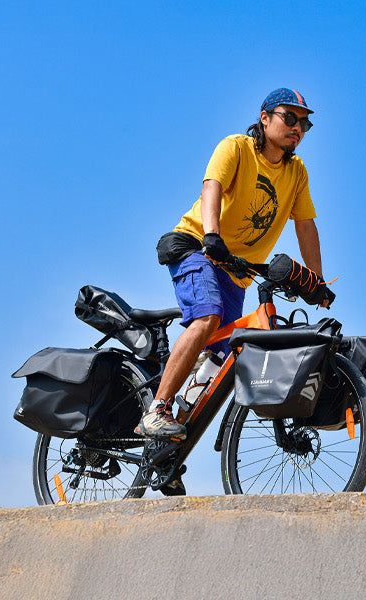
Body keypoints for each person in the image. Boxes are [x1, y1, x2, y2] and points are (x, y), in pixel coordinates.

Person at [141, 88, 331, 438]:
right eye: (290, 119)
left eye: (304, 124)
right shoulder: (237, 147)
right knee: (208, 315)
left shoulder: (296, 172)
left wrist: (315, 280)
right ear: (265, 118)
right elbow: (211, 187)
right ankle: (158, 409)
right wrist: (212, 235)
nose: (298, 128)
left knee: (228, 351)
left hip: (236, 271)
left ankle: (170, 443)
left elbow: (305, 224)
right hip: (196, 246)